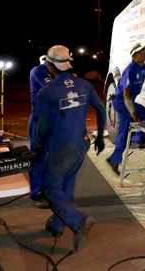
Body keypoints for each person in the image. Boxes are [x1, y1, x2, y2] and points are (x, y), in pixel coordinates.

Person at [33, 45, 106, 250]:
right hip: (82, 143)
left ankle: (76, 220)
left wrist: (38, 144)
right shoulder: (84, 85)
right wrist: (100, 135)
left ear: (50, 65)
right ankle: (57, 224)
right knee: (67, 182)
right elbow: (100, 108)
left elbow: (43, 124)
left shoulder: (47, 91)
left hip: (62, 146)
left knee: (50, 187)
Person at [106, 43, 145, 175]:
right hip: (122, 103)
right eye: (142, 52)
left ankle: (136, 141)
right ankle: (116, 158)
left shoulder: (144, 68)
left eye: (144, 51)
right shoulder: (130, 70)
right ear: (135, 56)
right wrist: (132, 112)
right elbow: (126, 94)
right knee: (124, 130)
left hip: (129, 101)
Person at [28, 55, 52, 208]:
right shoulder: (39, 71)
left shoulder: (56, 73)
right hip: (40, 120)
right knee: (38, 156)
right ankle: (37, 192)